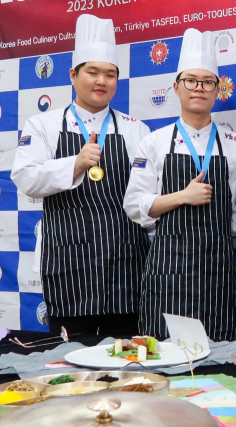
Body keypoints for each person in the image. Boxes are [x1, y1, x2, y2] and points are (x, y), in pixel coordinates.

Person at [11, 14, 150, 335]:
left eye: (110, 74)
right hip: (70, 266)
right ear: (73, 75)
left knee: (127, 360)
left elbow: (145, 195)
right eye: (93, 72)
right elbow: (25, 177)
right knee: (71, 361)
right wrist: (74, 163)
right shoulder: (43, 125)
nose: (102, 81)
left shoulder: (135, 129)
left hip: (125, 265)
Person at [124, 28, 236, 341]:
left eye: (208, 82)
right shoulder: (154, 143)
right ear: (176, 87)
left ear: (217, 90)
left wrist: (217, 234)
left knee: (219, 360)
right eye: (191, 81)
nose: (199, 88)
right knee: (165, 358)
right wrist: (182, 197)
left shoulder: (235, 144)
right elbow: (134, 205)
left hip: (218, 273)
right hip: (168, 270)